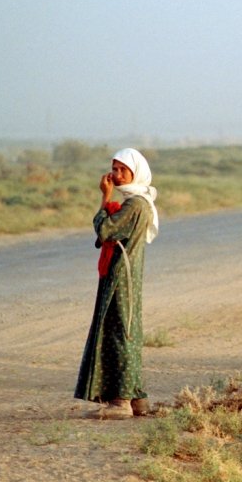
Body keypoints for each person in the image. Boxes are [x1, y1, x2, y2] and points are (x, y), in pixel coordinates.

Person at [74, 148, 159, 419]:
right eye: (114, 168)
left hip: (122, 276)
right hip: (122, 274)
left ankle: (119, 402)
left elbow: (106, 230)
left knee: (119, 333)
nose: (116, 174)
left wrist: (105, 197)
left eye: (123, 170)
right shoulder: (137, 202)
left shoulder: (135, 205)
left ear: (137, 172)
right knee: (125, 331)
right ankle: (136, 399)